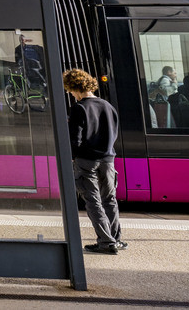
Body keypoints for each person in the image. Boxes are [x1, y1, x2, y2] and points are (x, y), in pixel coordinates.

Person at [65, 68, 125, 254]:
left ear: (75, 88)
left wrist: (73, 157)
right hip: (108, 160)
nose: (71, 94)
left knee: (93, 201)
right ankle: (116, 239)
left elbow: (75, 140)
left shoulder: (79, 108)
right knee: (110, 199)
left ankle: (106, 243)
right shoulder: (108, 106)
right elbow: (113, 134)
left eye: (70, 90)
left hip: (86, 161)